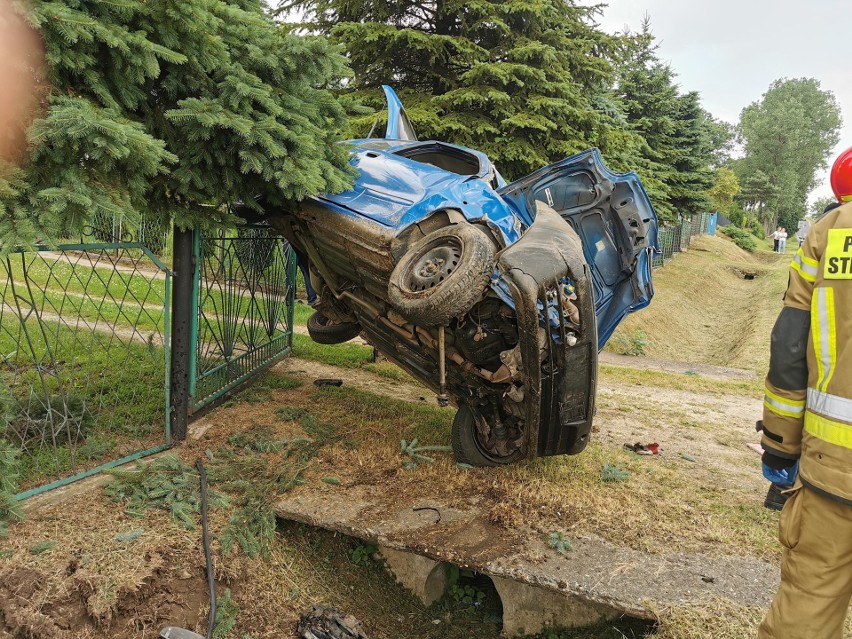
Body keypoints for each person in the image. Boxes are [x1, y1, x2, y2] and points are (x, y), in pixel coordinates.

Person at [757, 144, 852, 639]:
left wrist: (779, 446)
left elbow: (790, 344)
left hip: (834, 470)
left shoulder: (831, 230)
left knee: (807, 605)